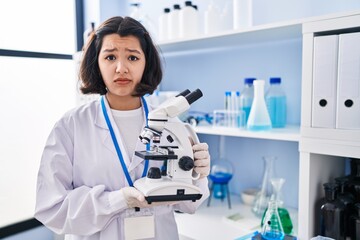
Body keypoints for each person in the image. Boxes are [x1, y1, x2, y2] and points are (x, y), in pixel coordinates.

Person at [34, 16, 210, 240]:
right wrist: (117, 200)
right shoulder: (71, 126)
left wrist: (197, 175)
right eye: (110, 57)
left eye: (133, 57)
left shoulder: (170, 123)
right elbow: (51, 207)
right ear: (96, 63)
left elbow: (190, 206)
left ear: (146, 63)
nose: (121, 68)